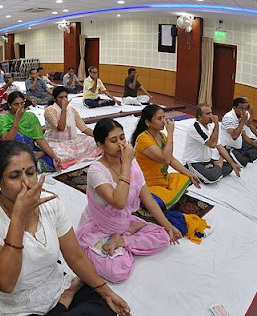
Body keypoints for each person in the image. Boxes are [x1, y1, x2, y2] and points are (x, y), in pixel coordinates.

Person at [0, 140, 134, 316]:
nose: (27, 183)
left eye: (30, 172)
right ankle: (63, 306)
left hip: (53, 284)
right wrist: (18, 217)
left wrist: (107, 292)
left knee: (106, 305)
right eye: (14, 176)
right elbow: (6, 283)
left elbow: (75, 256)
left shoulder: (50, 202)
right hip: (15, 302)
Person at [75, 118, 180, 283]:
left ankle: (122, 239)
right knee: (117, 272)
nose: (121, 144)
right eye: (113, 140)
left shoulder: (132, 164)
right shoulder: (96, 171)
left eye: (122, 138)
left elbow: (148, 200)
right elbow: (119, 202)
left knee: (164, 236)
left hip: (123, 222)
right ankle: (120, 238)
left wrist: (168, 226)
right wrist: (127, 164)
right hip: (99, 226)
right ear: (100, 145)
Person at [130, 105, 200, 211]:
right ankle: (150, 199)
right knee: (160, 203)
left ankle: (169, 198)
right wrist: (170, 133)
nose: (164, 121)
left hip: (163, 180)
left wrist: (190, 174)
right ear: (148, 122)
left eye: (164, 117)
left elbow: (171, 159)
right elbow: (165, 159)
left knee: (188, 178)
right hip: (149, 184)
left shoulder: (161, 136)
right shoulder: (143, 139)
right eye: (159, 118)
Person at [0, 91, 61, 172]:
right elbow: (6, 141)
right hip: (12, 153)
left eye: (22, 103)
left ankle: (30, 164)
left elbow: (40, 139)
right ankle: (30, 164)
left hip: (30, 150)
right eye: (16, 104)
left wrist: (54, 157)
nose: (20, 107)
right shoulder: (4, 119)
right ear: (9, 105)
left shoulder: (30, 117)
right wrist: (17, 120)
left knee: (52, 163)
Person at [43, 86, 102, 169]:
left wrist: (100, 137)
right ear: (54, 99)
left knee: (92, 141)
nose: (64, 100)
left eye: (65, 97)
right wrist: (64, 109)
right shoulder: (50, 110)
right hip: (56, 141)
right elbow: (61, 128)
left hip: (71, 140)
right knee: (62, 154)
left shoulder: (72, 110)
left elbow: (83, 128)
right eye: (61, 97)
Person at [182, 104, 241, 183]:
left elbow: (219, 146)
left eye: (211, 113)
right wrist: (216, 125)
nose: (211, 116)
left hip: (207, 161)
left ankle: (214, 168)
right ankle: (216, 168)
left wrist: (233, 164)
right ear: (200, 116)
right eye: (208, 114)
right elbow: (212, 144)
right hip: (193, 162)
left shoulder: (210, 127)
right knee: (212, 177)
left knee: (229, 166)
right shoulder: (195, 128)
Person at [220, 97, 257, 167]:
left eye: (245, 109)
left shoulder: (241, 116)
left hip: (238, 144)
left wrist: (253, 143)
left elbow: (244, 136)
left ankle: (242, 154)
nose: (243, 111)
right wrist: (242, 122)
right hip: (229, 146)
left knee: (255, 150)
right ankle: (229, 155)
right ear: (234, 108)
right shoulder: (229, 117)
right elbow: (234, 136)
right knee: (243, 162)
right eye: (241, 108)